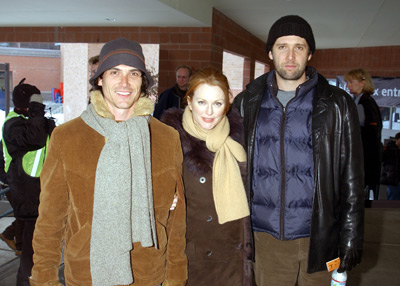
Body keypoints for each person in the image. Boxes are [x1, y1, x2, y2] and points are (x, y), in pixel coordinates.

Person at [30, 38, 187, 286]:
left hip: (148, 274)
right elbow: (50, 220)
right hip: (86, 274)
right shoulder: (67, 137)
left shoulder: (167, 138)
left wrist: (175, 277)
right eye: (115, 72)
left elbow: (177, 221)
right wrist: (44, 279)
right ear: (100, 79)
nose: (124, 83)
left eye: (133, 73)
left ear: (142, 81)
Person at [234, 15, 365, 286]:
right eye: (282, 46)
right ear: (270, 52)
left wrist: (350, 237)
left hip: (318, 237)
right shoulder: (247, 102)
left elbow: (352, 178)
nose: (290, 55)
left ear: (310, 54)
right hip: (264, 238)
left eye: (299, 47)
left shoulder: (337, 105)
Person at [161, 67, 253, 286]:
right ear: (189, 101)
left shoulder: (240, 140)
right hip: (191, 258)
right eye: (202, 102)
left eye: (217, 104)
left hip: (231, 258)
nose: (209, 112)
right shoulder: (169, 140)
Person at [2, 78, 55, 285]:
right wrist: (36, 111)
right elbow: (35, 139)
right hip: (26, 191)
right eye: (36, 100)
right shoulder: (13, 123)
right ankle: (26, 282)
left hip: (38, 189)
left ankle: (32, 278)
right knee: (31, 246)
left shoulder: (32, 121)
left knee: (35, 242)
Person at [345, 68, 383, 200]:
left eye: (351, 82)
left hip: (365, 159)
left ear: (362, 83)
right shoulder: (357, 102)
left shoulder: (366, 103)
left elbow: (371, 133)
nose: (348, 85)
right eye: (347, 82)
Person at [380, 133, 400, 200]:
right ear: (396, 140)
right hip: (393, 178)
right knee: (393, 198)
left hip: (394, 177)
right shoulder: (389, 149)